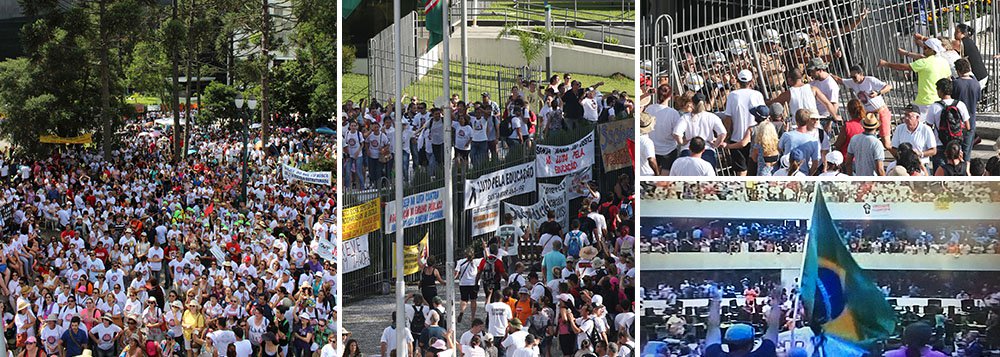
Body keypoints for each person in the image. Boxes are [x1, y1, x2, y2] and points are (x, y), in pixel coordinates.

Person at [879, 36, 951, 121]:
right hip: (939, 100)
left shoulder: (925, 62)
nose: (923, 50)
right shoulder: (944, 62)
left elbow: (903, 67)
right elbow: (948, 79)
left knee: (915, 124)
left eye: (925, 48)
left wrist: (886, 64)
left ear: (932, 50)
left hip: (925, 101)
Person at [834, 65, 893, 149]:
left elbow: (889, 86)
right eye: (851, 77)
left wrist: (878, 92)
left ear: (861, 74)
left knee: (886, 143)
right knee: (867, 139)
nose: (853, 79)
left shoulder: (870, 80)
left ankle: (900, 158)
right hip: (869, 115)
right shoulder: (852, 82)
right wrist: (828, 74)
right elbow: (839, 80)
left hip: (881, 111)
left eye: (854, 77)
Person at [721, 69, 766, 176]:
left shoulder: (733, 95)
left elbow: (728, 119)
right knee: (756, 169)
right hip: (756, 138)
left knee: (741, 171)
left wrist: (727, 135)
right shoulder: (757, 94)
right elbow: (764, 116)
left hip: (737, 138)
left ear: (737, 80)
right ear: (751, 81)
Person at [925, 78, 970, 171]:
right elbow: (968, 126)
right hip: (956, 144)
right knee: (956, 170)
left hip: (939, 143)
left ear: (940, 91)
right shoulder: (960, 104)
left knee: (940, 172)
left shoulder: (934, 107)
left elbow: (928, 128)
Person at [673, 93, 727, 169]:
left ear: (692, 103)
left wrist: (682, 142)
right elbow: (723, 133)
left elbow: (676, 133)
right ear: (704, 103)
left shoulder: (686, 117)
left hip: (688, 149)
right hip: (707, 149)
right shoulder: (712, 117)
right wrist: (716, 145)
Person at [643, 84, 682, 173]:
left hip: (651, 150)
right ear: (670, 96)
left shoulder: (649, 109)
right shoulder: (673, 113)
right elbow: (676, 133)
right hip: (668, 150)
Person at [952, 58, 982, 158]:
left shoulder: (956, 83)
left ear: (958, 70)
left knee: (955, 149)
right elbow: (978, 99)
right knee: (967, 149)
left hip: (957, 121)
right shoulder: (976, 83)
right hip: (971, 119)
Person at [777, 109, 822, 175]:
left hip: (785, 173)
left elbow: (779, 148)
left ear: (796, 120)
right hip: (804, 174)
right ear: (808, 120)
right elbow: (815, 164)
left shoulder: (786, 135)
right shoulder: (813, 141)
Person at [455, 248, 480, 324]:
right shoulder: (476, 261)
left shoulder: (460, 262)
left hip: (463, 283)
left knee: (464, 300)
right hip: (474, 283)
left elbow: (456, 274)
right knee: (473, 300)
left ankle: (462, 311)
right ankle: (473, 317)